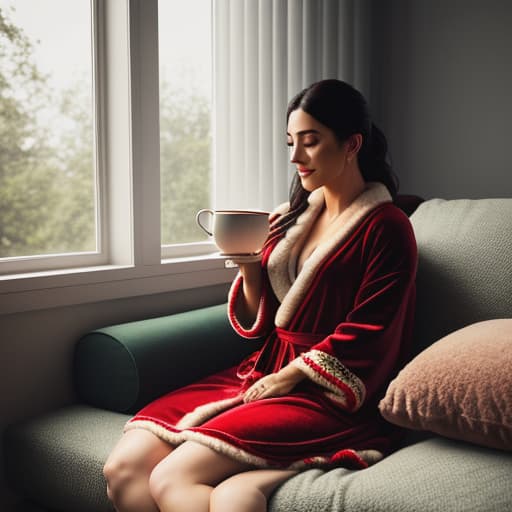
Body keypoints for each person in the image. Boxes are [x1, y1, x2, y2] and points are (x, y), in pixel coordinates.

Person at [103, 79, 417, 512]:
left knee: (173, 476)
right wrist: (252, 267)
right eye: (291, 142)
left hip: (324, 393)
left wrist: (289, 377)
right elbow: (265, 321)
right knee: (123, 470)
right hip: (262, 369)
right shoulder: (294, 218)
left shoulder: (387, 227)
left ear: (352, 144)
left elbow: (373, 327)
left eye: (310, 142)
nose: (295, 157)